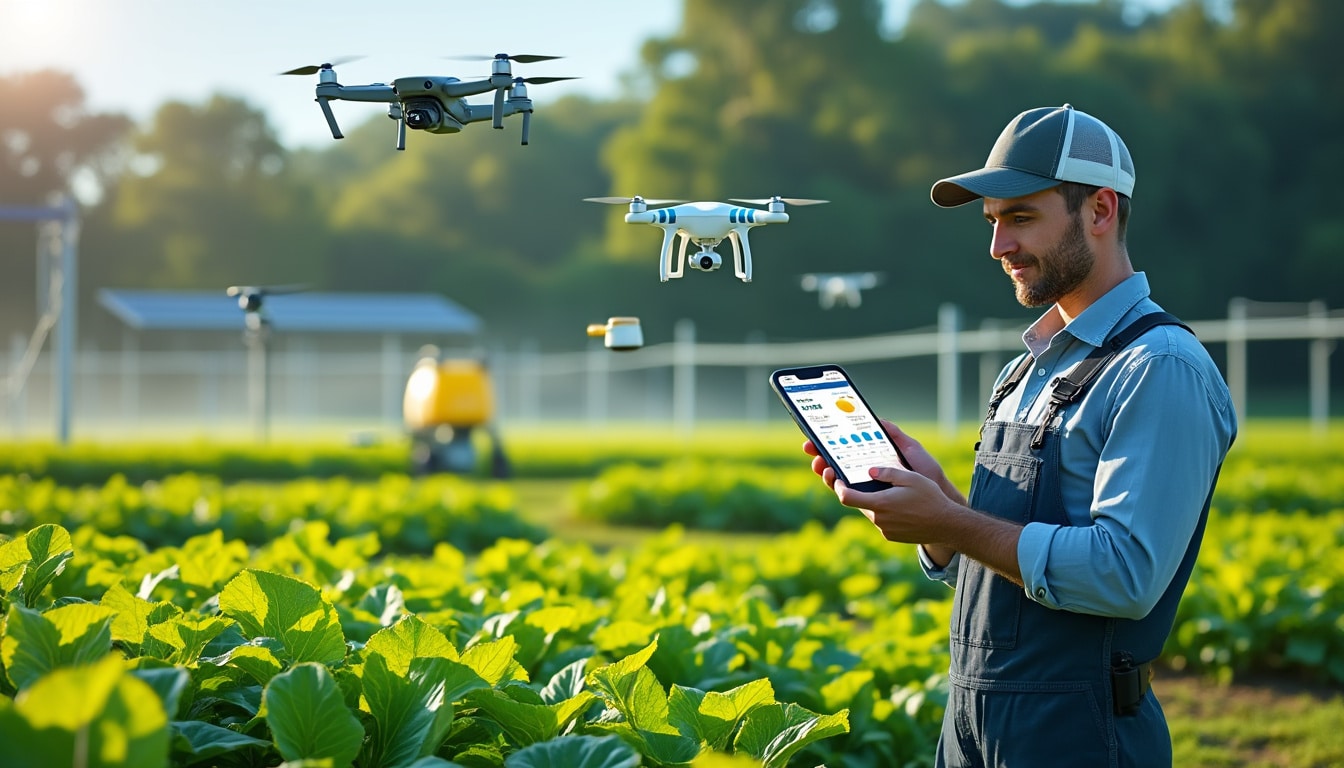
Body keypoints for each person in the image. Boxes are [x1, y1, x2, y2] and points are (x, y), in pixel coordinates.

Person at [802, 104, 1237, 767]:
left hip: (1079, 733)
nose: (998, 246)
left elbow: (1123, 576)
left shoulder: (1159, 369)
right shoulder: (1021, 372)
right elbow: (1013, 577)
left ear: (1100, 210)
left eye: (1021, 218)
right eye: (993, 222)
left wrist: (954, 520)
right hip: (974, 722)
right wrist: (941, 515)